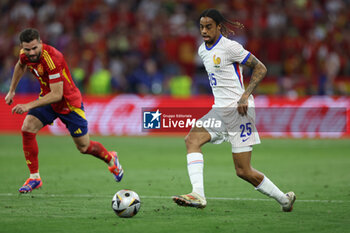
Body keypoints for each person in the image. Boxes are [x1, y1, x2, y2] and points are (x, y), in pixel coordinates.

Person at [172, 9, 296, 212]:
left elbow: (261, 68)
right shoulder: (202, 50)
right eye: (201, 27)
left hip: (240, 112)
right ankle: (198, 195)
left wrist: (245, 95)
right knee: (191, 140)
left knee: (243, 171)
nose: (204, 30)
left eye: (208, 26)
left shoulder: (230, 47)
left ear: (219, 27)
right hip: (219, 111)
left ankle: (283, 199)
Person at [4, 28, 124, 193]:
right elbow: (20, 65)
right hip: (48, 100)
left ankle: (111, 159)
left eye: (34, 48)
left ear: (40, 43)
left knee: (84, 147)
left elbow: (57, 94)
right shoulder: (25, 54)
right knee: (27, 128)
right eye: (27, 49)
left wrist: (27, 105)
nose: (31, 53)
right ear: (22, 47)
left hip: (68, 104)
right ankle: (34, 178)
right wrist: (12, 90)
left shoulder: (53, 58)